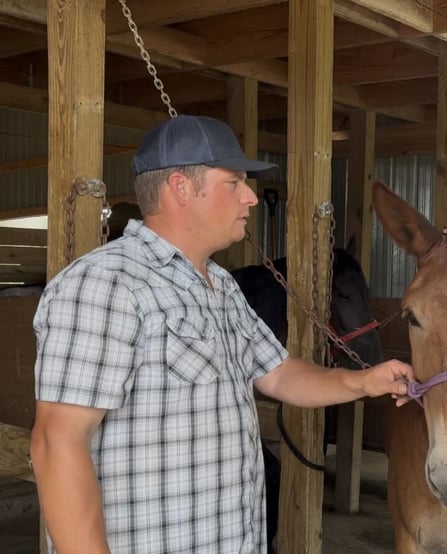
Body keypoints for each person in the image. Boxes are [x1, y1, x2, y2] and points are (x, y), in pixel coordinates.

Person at [30, 114, 415, 554]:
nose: (250, 197)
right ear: (181, 188)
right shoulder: (107, 284)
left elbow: (280, 374)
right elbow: (57, 443)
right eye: (234, 183)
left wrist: (363, 381)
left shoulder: (220, 285)